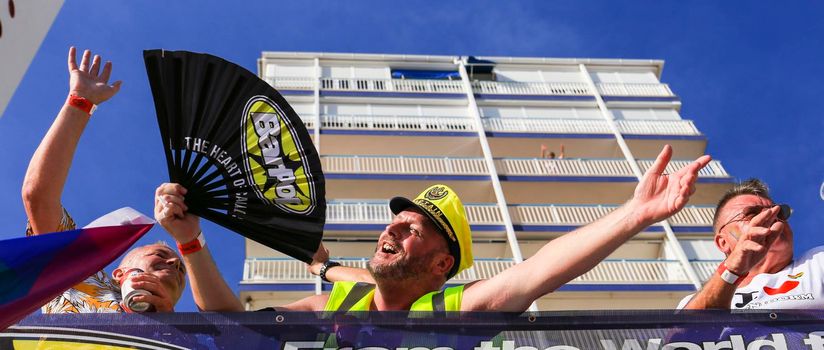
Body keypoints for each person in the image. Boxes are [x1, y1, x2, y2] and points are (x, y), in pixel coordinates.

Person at [157, 144, 711, 312]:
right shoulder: (337, 303)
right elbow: (229, 326)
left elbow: (541, 268)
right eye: (394, 221)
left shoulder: (457, 308)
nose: (391, 230)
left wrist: (635, 214)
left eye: (414, 228)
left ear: (443, 265)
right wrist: (189, 241)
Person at [22, 47, 185, 313]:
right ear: (119, 274)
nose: (175, 265)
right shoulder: (78, 280)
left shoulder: (199, 335)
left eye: (179, 269)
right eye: (161, 255)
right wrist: (81, 101)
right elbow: (38, 196)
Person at [677, 179, 814, 310]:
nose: (773, 218)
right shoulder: (695, 302)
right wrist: (731, 271)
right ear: (723, 242)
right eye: (752, 214)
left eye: (779, 212)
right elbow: (683, 332)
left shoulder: (816, 262)